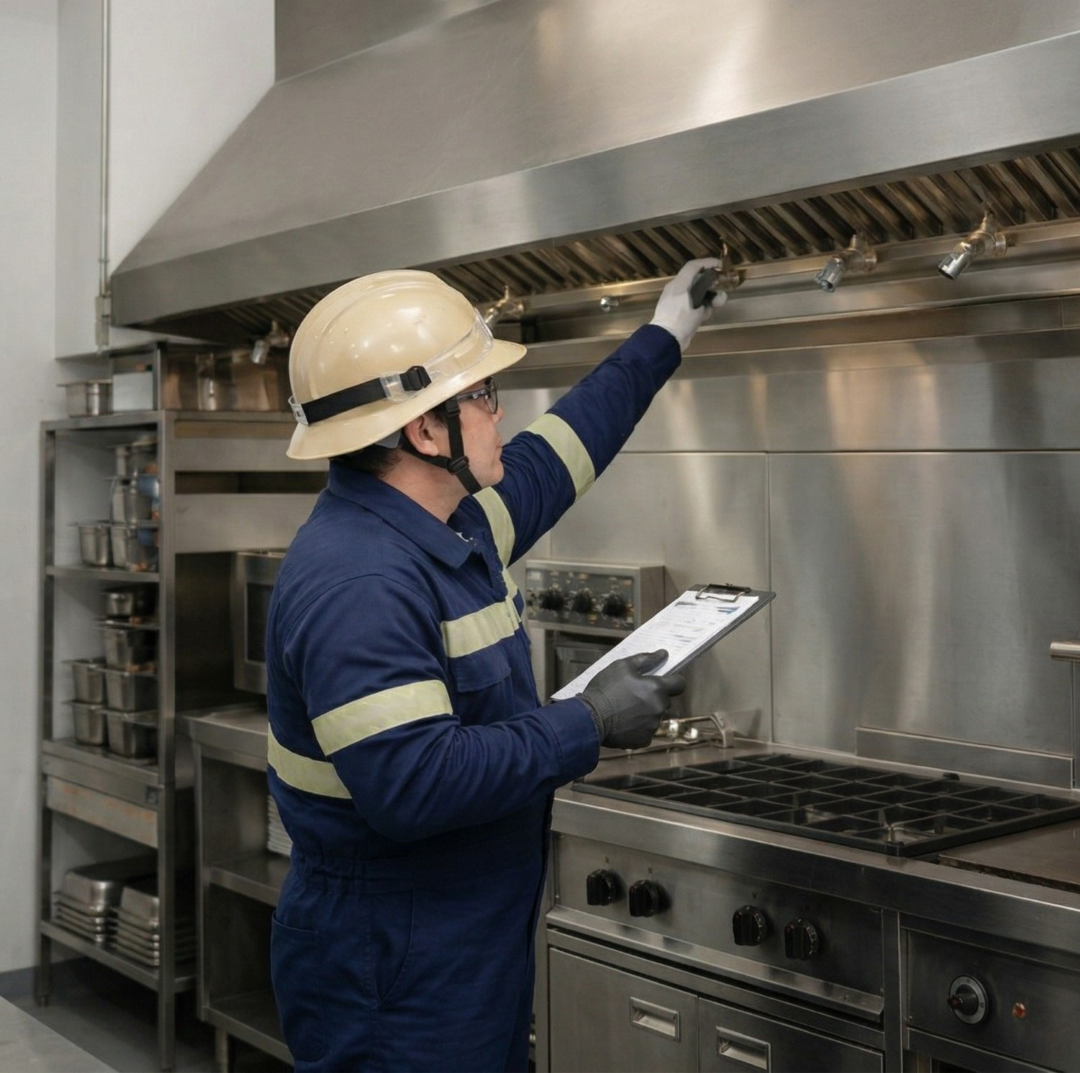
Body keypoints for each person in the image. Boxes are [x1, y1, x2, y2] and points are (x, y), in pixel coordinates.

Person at [266, 258, 725, 1072]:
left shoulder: (452, 524)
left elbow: (564, 449)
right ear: (423, 430)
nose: (497, 409)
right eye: (479, 395)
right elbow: (414, 783)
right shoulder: (362, 579)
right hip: (393, 963)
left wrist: (666, 333)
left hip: (458, 940)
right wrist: (587, 720)